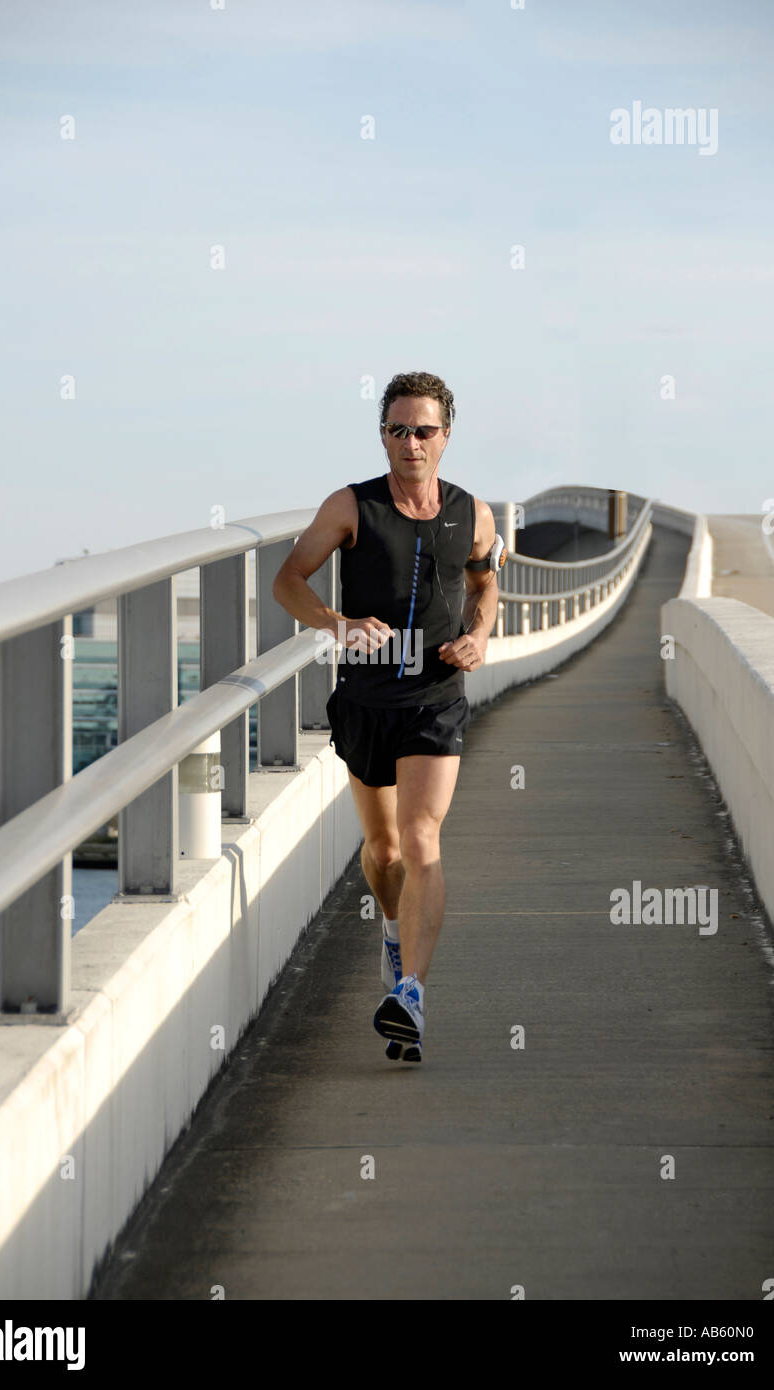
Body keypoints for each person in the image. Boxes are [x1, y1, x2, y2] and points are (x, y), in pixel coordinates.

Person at [272, 371, 501, 1062]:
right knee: (386, 852)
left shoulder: (473, 513)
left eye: (423, 430)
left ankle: (412, 996)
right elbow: (288, 579)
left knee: (423, 838)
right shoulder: (351, 506)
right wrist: (336, 623)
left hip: (436, 698)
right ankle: (395, 932)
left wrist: (479, 632)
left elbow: (485, 581)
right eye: (397, 430)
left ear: (446, 437)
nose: (410, 443)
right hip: (366, 700)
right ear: (383, 436)